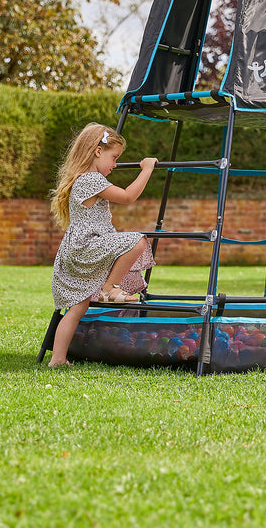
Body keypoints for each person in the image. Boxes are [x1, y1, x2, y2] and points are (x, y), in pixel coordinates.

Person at [47, 122, 158, 367]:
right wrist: (147, 169)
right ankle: (110, 288)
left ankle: (57, 359)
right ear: (98, 152)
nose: (116, 164)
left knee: (78, 306)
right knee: (137, 241)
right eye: (114, 157)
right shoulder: (91, 180)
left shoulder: (82, 179)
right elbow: (128, 197)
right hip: (87, 246)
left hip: (79, 248)